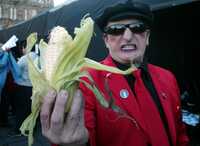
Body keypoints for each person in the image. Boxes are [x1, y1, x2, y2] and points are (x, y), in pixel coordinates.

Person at [40, 0, 190, 146]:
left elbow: (180, 133)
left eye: (137, 27)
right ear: (106, 40)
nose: (127, 36)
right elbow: (82, 132)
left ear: (147, 37)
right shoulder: (86, 81)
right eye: (116, 29)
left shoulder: (168, 78)